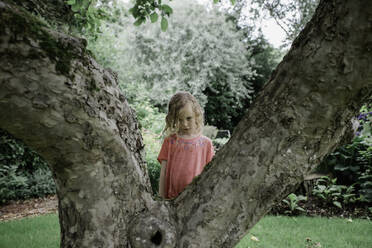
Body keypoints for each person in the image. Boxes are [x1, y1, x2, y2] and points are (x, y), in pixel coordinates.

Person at [158, 91, 215, 199]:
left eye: (189, 118)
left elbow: (210, 174)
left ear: (196, 115)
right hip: (172, 199)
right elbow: (163, 173)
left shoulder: (206, 144)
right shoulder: (170, 142)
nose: (184, 124)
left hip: (196, 199)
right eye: (180, 120)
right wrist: (161, 197)